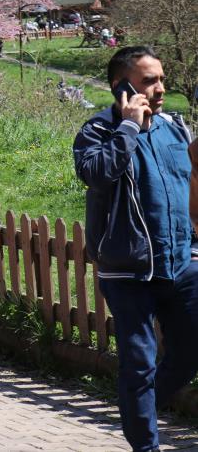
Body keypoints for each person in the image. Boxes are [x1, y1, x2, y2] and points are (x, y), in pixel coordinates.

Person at [73, 45, 197, 452]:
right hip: (129, 272)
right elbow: (96, 175)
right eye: (149, 81)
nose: (160, 88)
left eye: (161, 78)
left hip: (180, 263)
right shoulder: (98, 131)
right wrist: (127, 129)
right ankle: (145, 444)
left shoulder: (174, 128)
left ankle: (137, 409)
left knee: (190, 350)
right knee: (139, 362)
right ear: (121, 86)